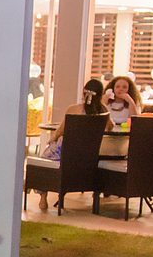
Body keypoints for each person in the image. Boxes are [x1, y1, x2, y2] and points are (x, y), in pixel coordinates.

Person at [32, 78, 107, 211]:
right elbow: (110, 127)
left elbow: (61, 130)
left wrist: (52, 139)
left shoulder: (73, 109)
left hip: (65, 154)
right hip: (87, 158)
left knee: (42, 159)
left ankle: (42, 196)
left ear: (84, 92)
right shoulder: (104, 112)